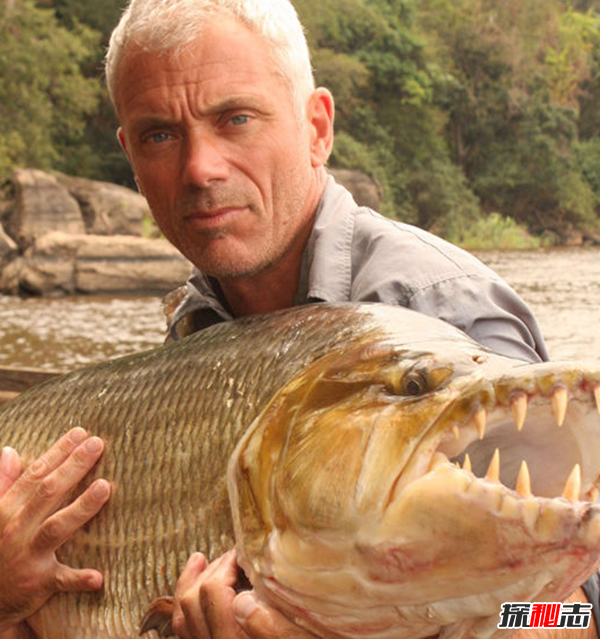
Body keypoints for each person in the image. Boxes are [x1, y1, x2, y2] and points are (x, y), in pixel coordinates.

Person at [0, 0, 597, 637]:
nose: (201, 168)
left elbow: (572, 613)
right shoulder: (199, 320)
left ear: (317, 128)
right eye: (160, 135)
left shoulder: (442, 310)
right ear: (130, 158)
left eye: (236, 119)